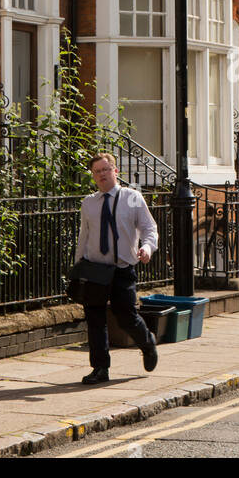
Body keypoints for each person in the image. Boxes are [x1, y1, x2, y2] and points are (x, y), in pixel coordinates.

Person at [74, 151, 159, 384]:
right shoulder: (89, 203)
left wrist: (148, 248)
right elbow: (84, 236)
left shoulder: (132, 198)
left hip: (122, 269)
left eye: (105, 170)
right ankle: (100, 368)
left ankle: (147, 343)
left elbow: (149, 229)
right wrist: (77, 266)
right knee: (95, 319)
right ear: (93, 176)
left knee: (126, 316)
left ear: (115, 171)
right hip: (94, 270)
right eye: (96, 172)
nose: (101, 175)